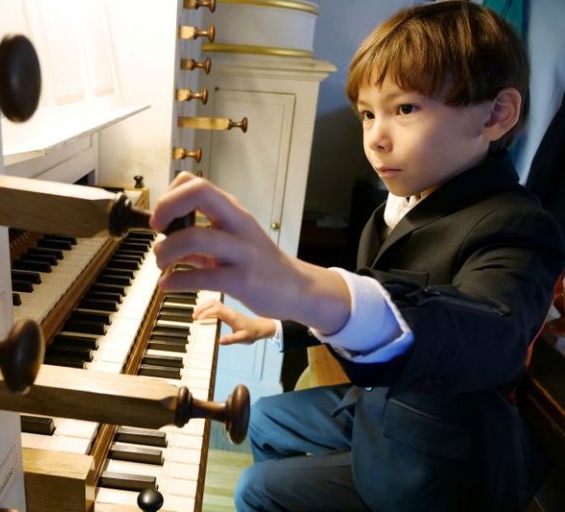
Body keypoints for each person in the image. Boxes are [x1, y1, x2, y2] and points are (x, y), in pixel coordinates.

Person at [149, 2, 565, 511]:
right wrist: (280, 325)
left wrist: (303, 288)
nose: (375, 137)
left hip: (438, 458)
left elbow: (489, 334)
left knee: (255, 490)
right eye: (368, 113)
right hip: (378, 406)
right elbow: (371, 285)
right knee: (262, 418)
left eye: (405, 109)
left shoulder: (519, 224)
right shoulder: (404, 202)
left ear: (496, 114)